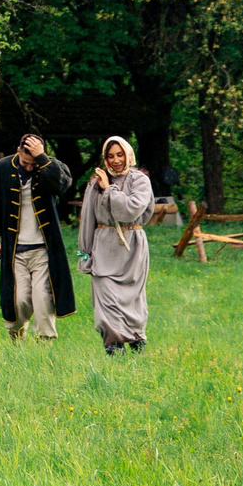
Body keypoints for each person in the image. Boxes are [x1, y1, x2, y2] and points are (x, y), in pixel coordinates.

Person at [0, 134, 75, 343]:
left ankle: (46, 342)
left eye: (34, 162)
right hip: (15, 249)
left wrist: (41, 158)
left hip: (43, 249)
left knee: (43, 299)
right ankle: (17, 333)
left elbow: (63, 186)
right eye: (26, 162)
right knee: (19, 299)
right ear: (18, 151)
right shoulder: (2, 168)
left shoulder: (50, 166)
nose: (30, 167)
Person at [77, 134, 156, 355]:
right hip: (104, 246)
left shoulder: (139, 180)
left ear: (128, 154)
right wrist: (85, 253)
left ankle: (136, 337)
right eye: (110, 156)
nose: (115, 160)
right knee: (105, 297)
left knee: (132, 297)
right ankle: (113, 345)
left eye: (119, 154)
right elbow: (88, 219)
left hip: (132, 246)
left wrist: (109, 189)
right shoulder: (96, 183)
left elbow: (130, 210)